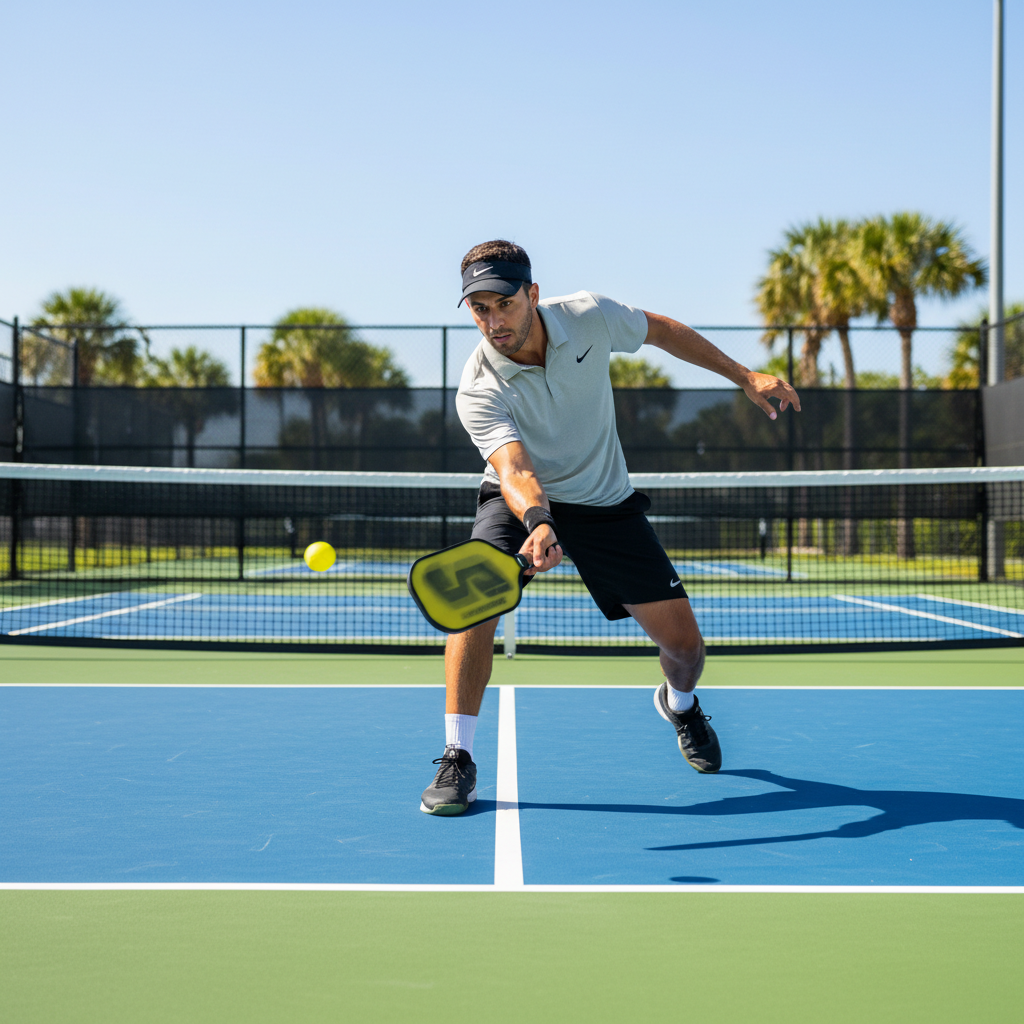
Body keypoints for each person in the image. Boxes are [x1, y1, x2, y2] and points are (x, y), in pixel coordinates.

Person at [420, 240, 801, 815]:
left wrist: (744, 375)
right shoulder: (478, 386)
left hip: (604, 499)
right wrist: (539, 520)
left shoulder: (589, 317)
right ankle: (457, 756)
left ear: (533, 294)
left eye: (503, 303)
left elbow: (663, 331)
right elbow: (516, 468)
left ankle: (680, 704)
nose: (492, 320)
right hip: (520, 499)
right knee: (475, 602)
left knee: (685, 648)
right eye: (479, 308)